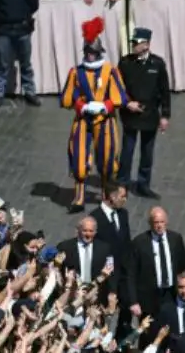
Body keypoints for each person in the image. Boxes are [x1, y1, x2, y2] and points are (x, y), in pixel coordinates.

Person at [61, 17, 128, 212]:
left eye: (93, 52)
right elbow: (68, 97)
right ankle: (79, 197)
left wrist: (104, 106)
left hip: (105, 121)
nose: (90, 56)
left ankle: (106, 195)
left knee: (107, 160)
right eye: (88, 52)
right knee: (79, 159)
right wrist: (81, 105)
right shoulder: (76, 72)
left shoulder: (110, 71)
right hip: (83, 120)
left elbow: (120, 96)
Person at [118, 28, 171, 199]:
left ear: (147, 44)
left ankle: (143, 184)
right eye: (132, 42)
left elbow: (164, 91)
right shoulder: (125, 63)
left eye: (136, 42)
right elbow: (118, 88)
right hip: (131, 114)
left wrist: (165, 116)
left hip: (149, 115)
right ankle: (123, 184)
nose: (133, 45)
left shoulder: (157, 64)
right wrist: (127, 103)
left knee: (147, 153)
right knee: (127, 151)